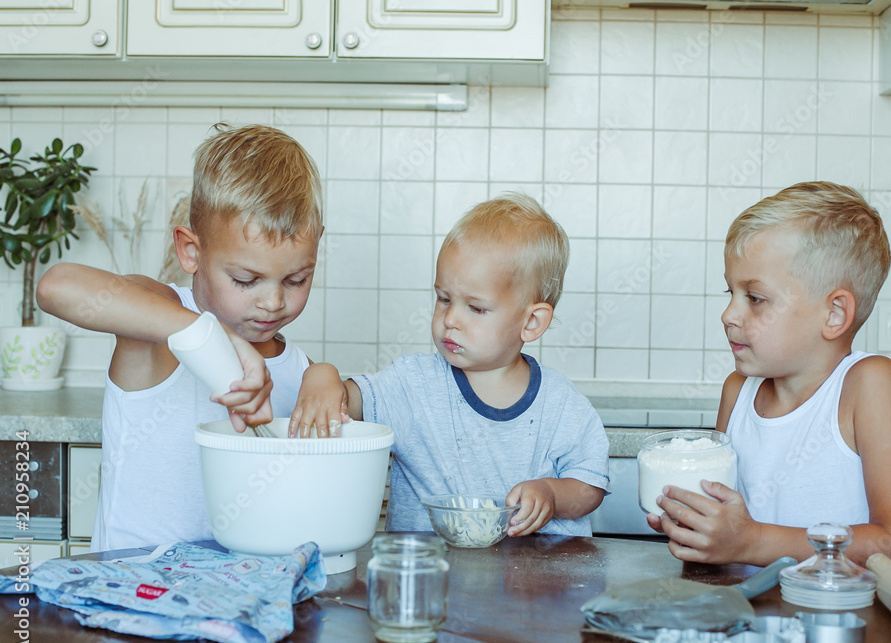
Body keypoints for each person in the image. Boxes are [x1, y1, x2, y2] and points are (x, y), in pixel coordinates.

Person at [37, 124, 340, 551]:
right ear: (191, 251)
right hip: (133, 595)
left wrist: (324, 375)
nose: (272, 302)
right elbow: (56, 287)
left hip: (235, 597)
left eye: (296, 279)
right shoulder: (156, 326)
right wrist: (204, 333)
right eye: (245, 279)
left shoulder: (296, 369)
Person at [647, 181, 891, 567]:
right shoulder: (738, 391)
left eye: (755, 299)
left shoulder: (869, 385)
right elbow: (729, 521)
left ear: (834, 314)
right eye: (730, 293)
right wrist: (697, 523)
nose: (729, 314)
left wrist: (754, 542)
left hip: (839, 623)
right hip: (748, 617)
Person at [313, 193, 610, 536]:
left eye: (476, 308)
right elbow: (348, 402)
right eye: (444, 299)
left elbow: (590, 486)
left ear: (531, 323)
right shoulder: (412, 384)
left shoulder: (561, 404)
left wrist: (552, 495)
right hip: (433, 577)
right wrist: (322, 375)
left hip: (532, 584)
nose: (450, 318)